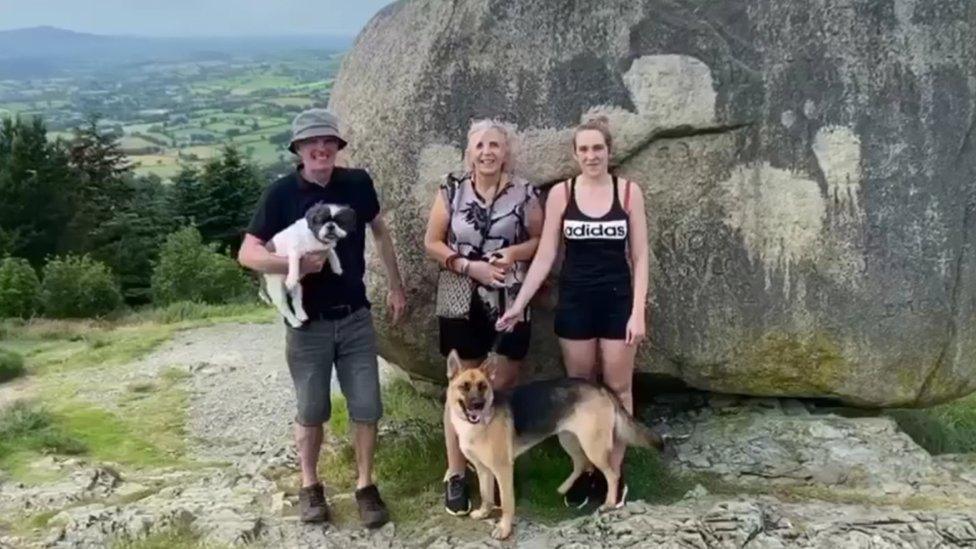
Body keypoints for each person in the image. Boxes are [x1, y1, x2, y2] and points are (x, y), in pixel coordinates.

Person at [238, 108, 407, 528]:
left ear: (337, 148)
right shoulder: (281, 195)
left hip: (355, 317)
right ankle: (311, 486)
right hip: (307, 325)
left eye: (328, 142)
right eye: (312, 143)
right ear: (298, 149)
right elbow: (248, 254)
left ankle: (366, 486)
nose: (321, 149)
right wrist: (293, 266)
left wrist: (397, 285)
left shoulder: (357, 183)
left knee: (367, 405)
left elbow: (380, 231)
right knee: (311, 409)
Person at [496, 116, 649, 508]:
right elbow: (546, 254)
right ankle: (589, 471)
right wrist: (518, 305)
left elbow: (641, 256)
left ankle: (615, 473)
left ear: (609, 152)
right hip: (576, 302)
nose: (591, 155)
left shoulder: (629, 193)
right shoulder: (562, 194)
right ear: (575, 154)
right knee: (578, 389)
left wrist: (638, 312)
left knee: (619, 389)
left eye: (598, 148)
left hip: (617, 302)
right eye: (583, 149)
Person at [423, 119, 542, 515]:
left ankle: (495, 463)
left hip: (509, 295)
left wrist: (512, 254)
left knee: (502, 379)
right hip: (460, 293)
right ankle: (456, 472)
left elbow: (541, 240)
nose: (488, 151)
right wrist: (467, 266)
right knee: (461, 382)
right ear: (469, 151)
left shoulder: (525, 191)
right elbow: (432, 242)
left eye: (495, 145)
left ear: (505, 151)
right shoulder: (451, 188)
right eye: (480, 145)